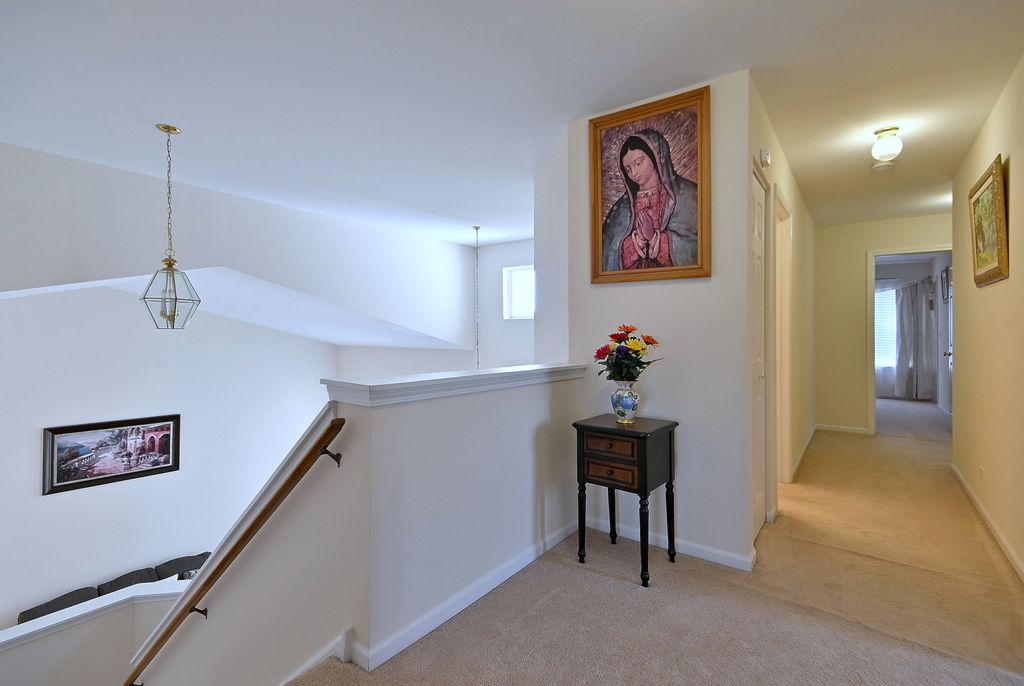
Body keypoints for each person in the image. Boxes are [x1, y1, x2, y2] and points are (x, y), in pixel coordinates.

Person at [601, 129, 698, 272]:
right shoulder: (622, 209)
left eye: (638, 163)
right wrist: (638, 240)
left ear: (656, 156)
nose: (634, 173)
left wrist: (653, 237)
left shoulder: (688, 195)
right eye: (628, 169)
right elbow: (608, 254)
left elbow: (695, 249)